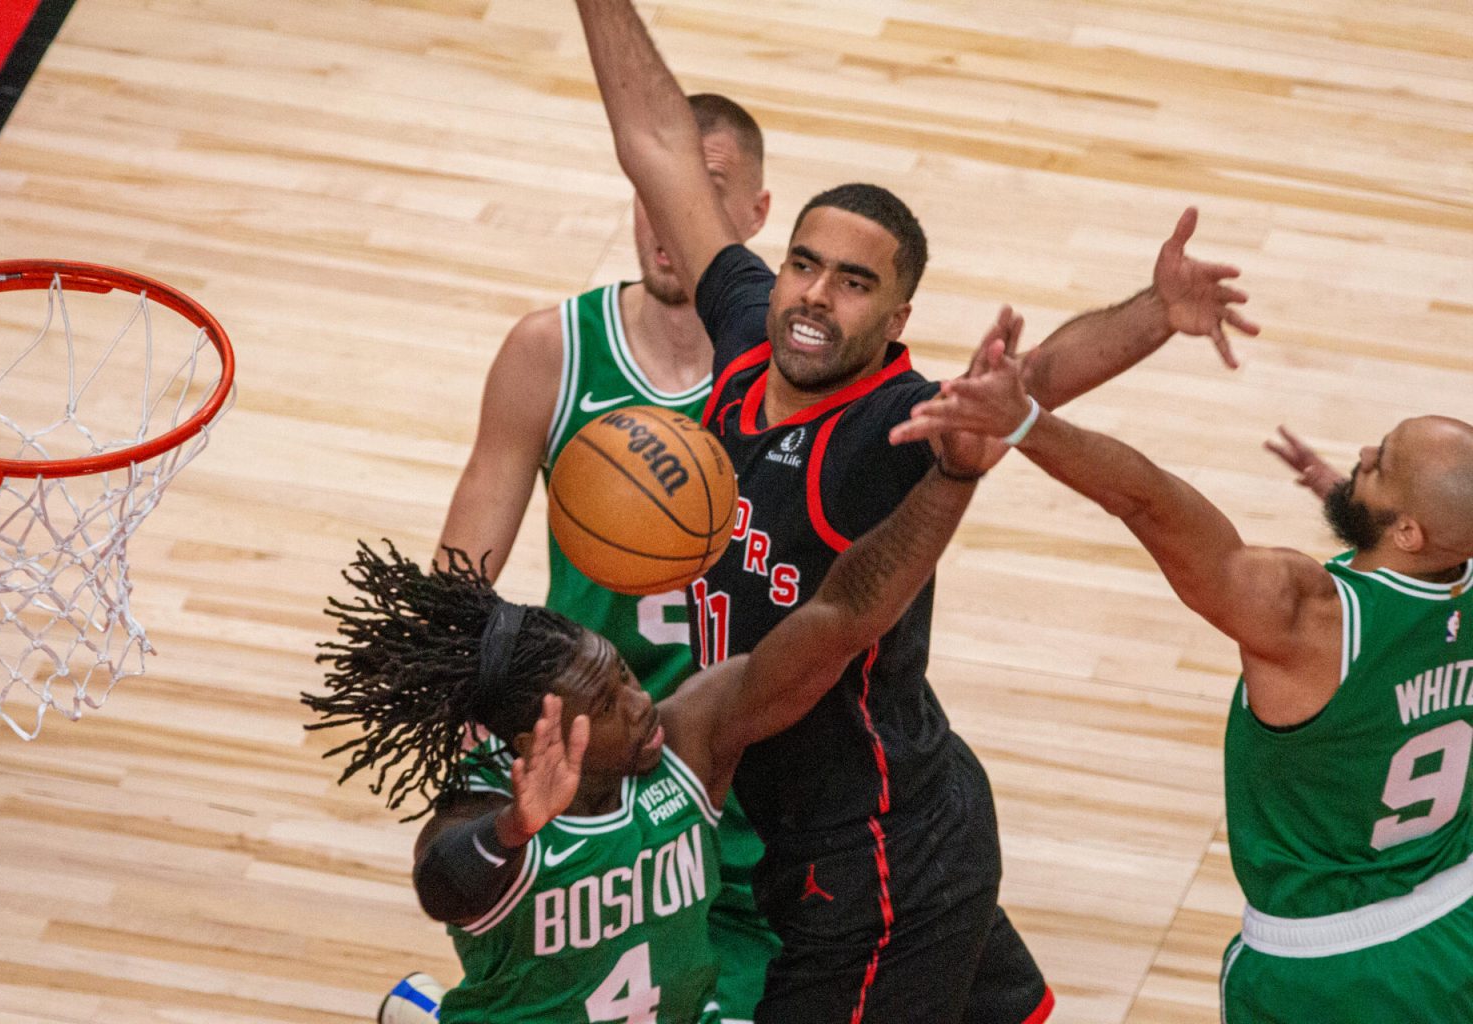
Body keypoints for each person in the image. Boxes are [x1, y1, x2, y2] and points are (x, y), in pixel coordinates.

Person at [572, 0, 1260, 1020]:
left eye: (855, 285)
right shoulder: (745, 334)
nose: (815, 295)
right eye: (805, 264)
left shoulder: (883, 423)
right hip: (902, 806)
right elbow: (660, 143)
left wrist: (1153, 315)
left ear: (896, 319)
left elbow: (1028, 384)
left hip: (873, 851)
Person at [305, 385, 1007, 1023]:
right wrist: (516, 827)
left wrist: (953, 478)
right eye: (607, 705)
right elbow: (442, 884)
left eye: (624, 679)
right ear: (534, 740)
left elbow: (843, 618)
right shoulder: (487, 807)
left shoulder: (687, 742)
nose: (641, 702)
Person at [893, 344, 1473, 1023]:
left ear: (1408, 530)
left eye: (1383, 464)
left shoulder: (1305, 616)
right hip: (1455, 921)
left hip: (1326, 971)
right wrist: (1357, 505)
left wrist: (1025, 422)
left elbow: (1147, 500)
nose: (1365, 452)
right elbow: (1416, 589)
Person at [433, 92, 779, 1022]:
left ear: (755, 216)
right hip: (591, 756)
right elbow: (454, 591)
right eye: (653, 188)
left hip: (736, 759)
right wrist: (465, 702)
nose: (670, 218)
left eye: (701, 193)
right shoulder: (552, 352)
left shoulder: (795, 381)